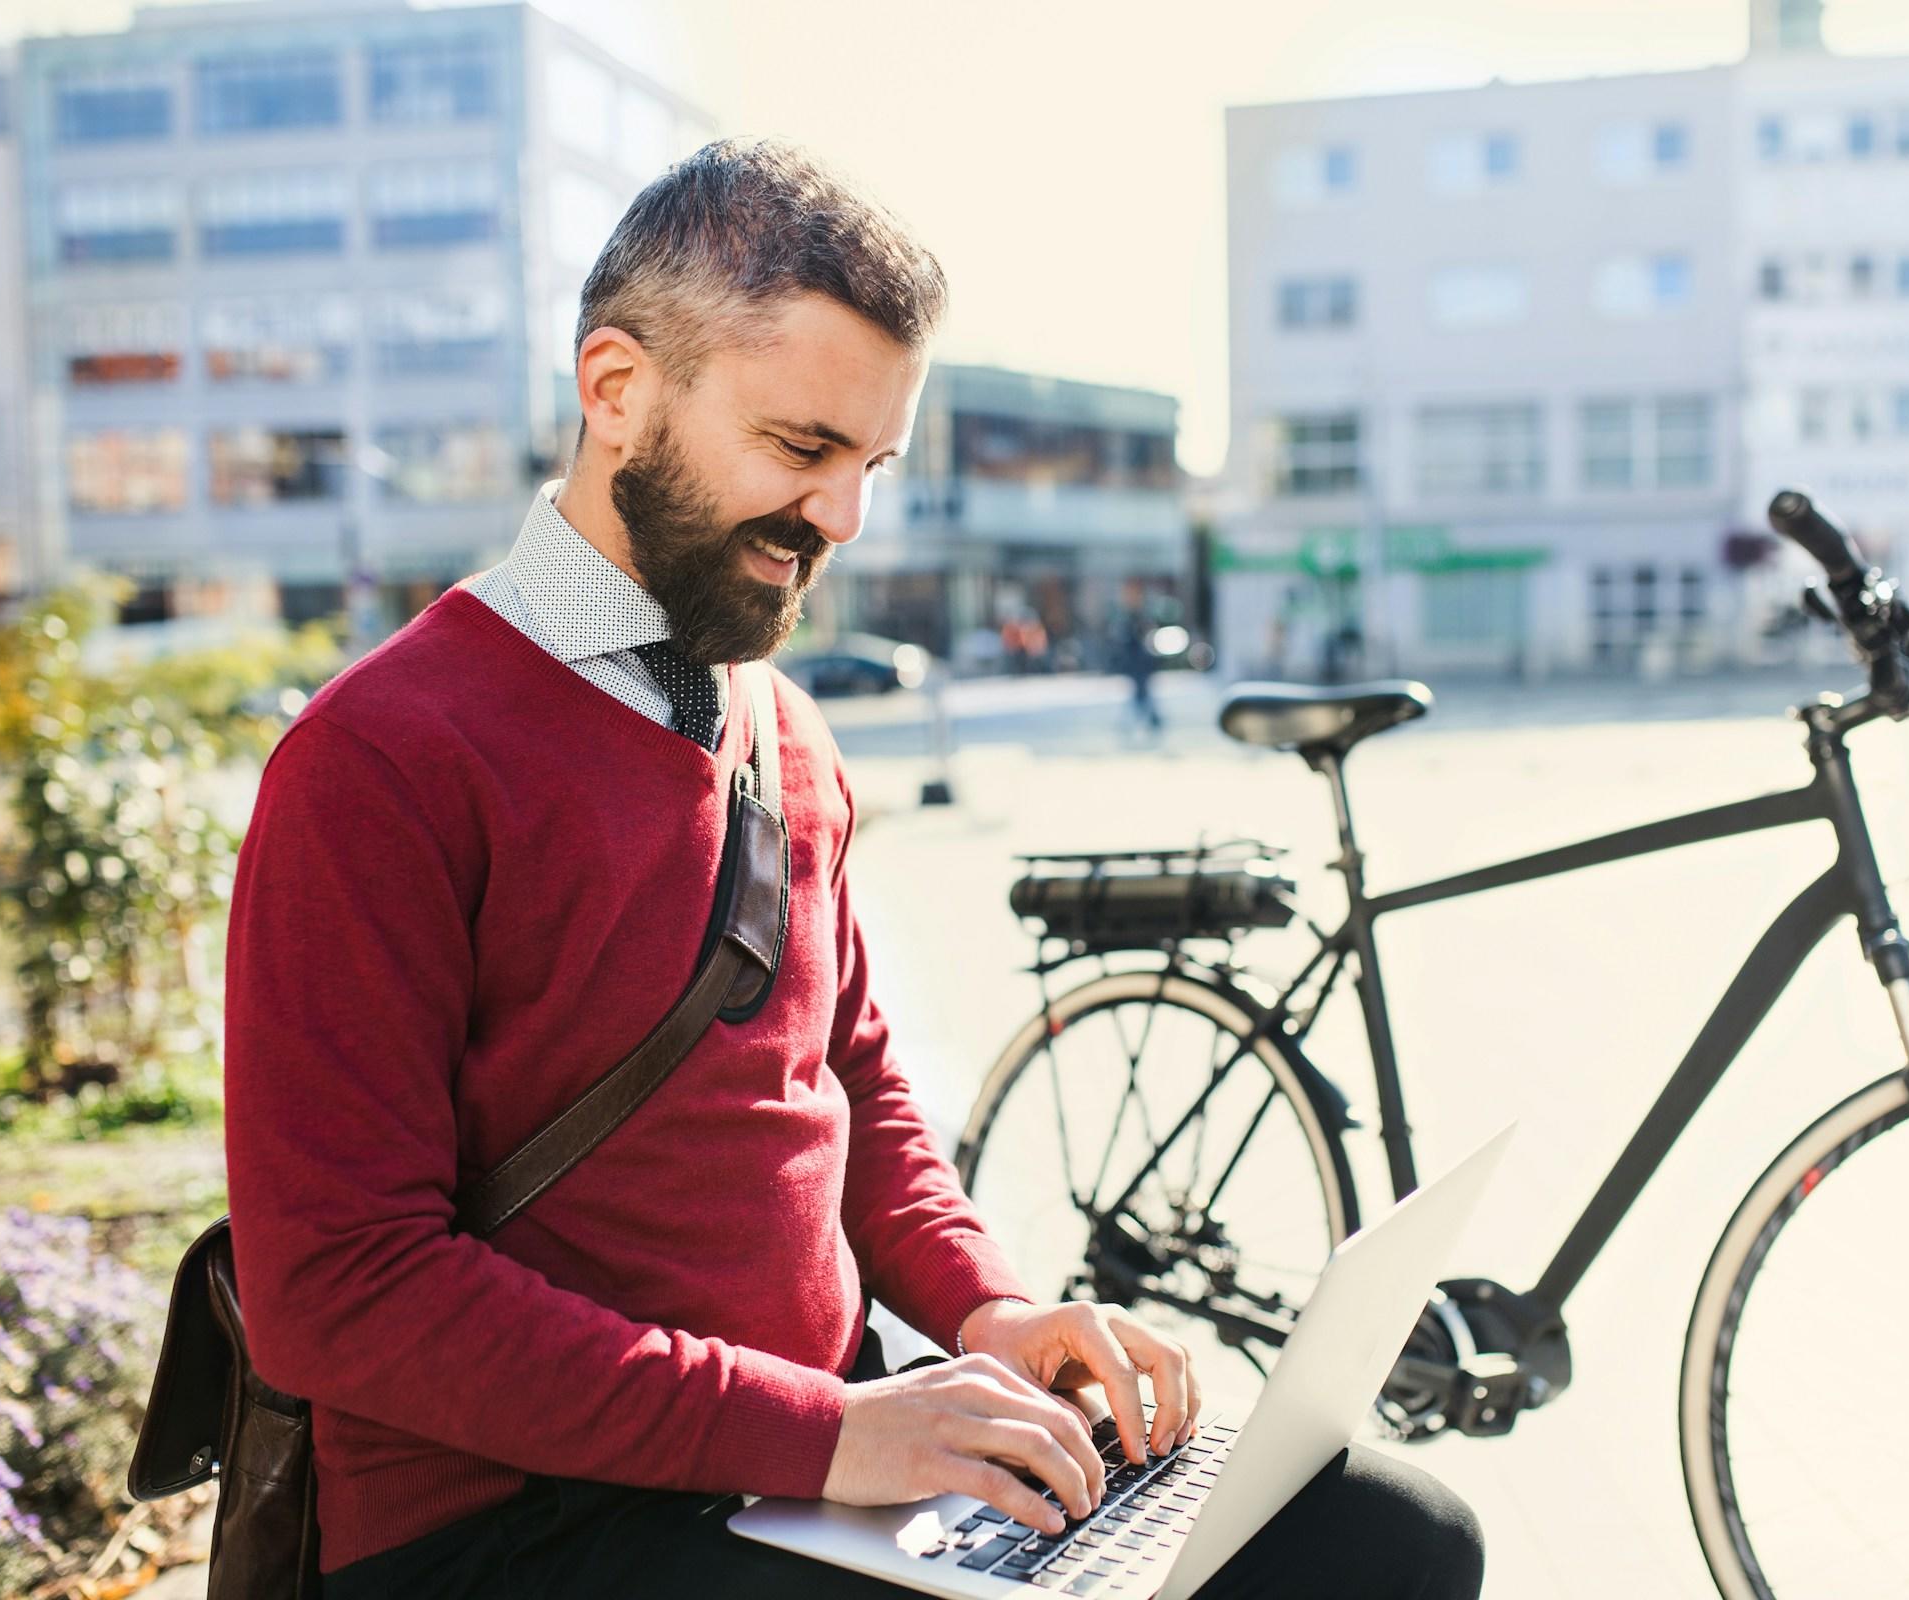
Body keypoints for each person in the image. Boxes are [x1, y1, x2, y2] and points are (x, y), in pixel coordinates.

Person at [223, 139, 1484, 1599]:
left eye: (872, 465)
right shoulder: (379, 757)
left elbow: (854, 1091)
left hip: (814, 1466)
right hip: (518, 1528)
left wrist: (991, 1312)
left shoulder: (784, 731)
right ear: (617, 389)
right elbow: (337, 1294)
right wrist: (834, 1434)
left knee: (1390, 1535)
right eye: (803, 449)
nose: (844, 520)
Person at [1113, 581, 1164, 738]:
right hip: (1135, 663)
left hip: (1142, 663)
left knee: (1141, 693)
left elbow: (1148, 639)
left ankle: (1151, 720)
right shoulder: (1130, 617)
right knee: (1140, 694)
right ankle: (1151, 720)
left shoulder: (1143, 616)